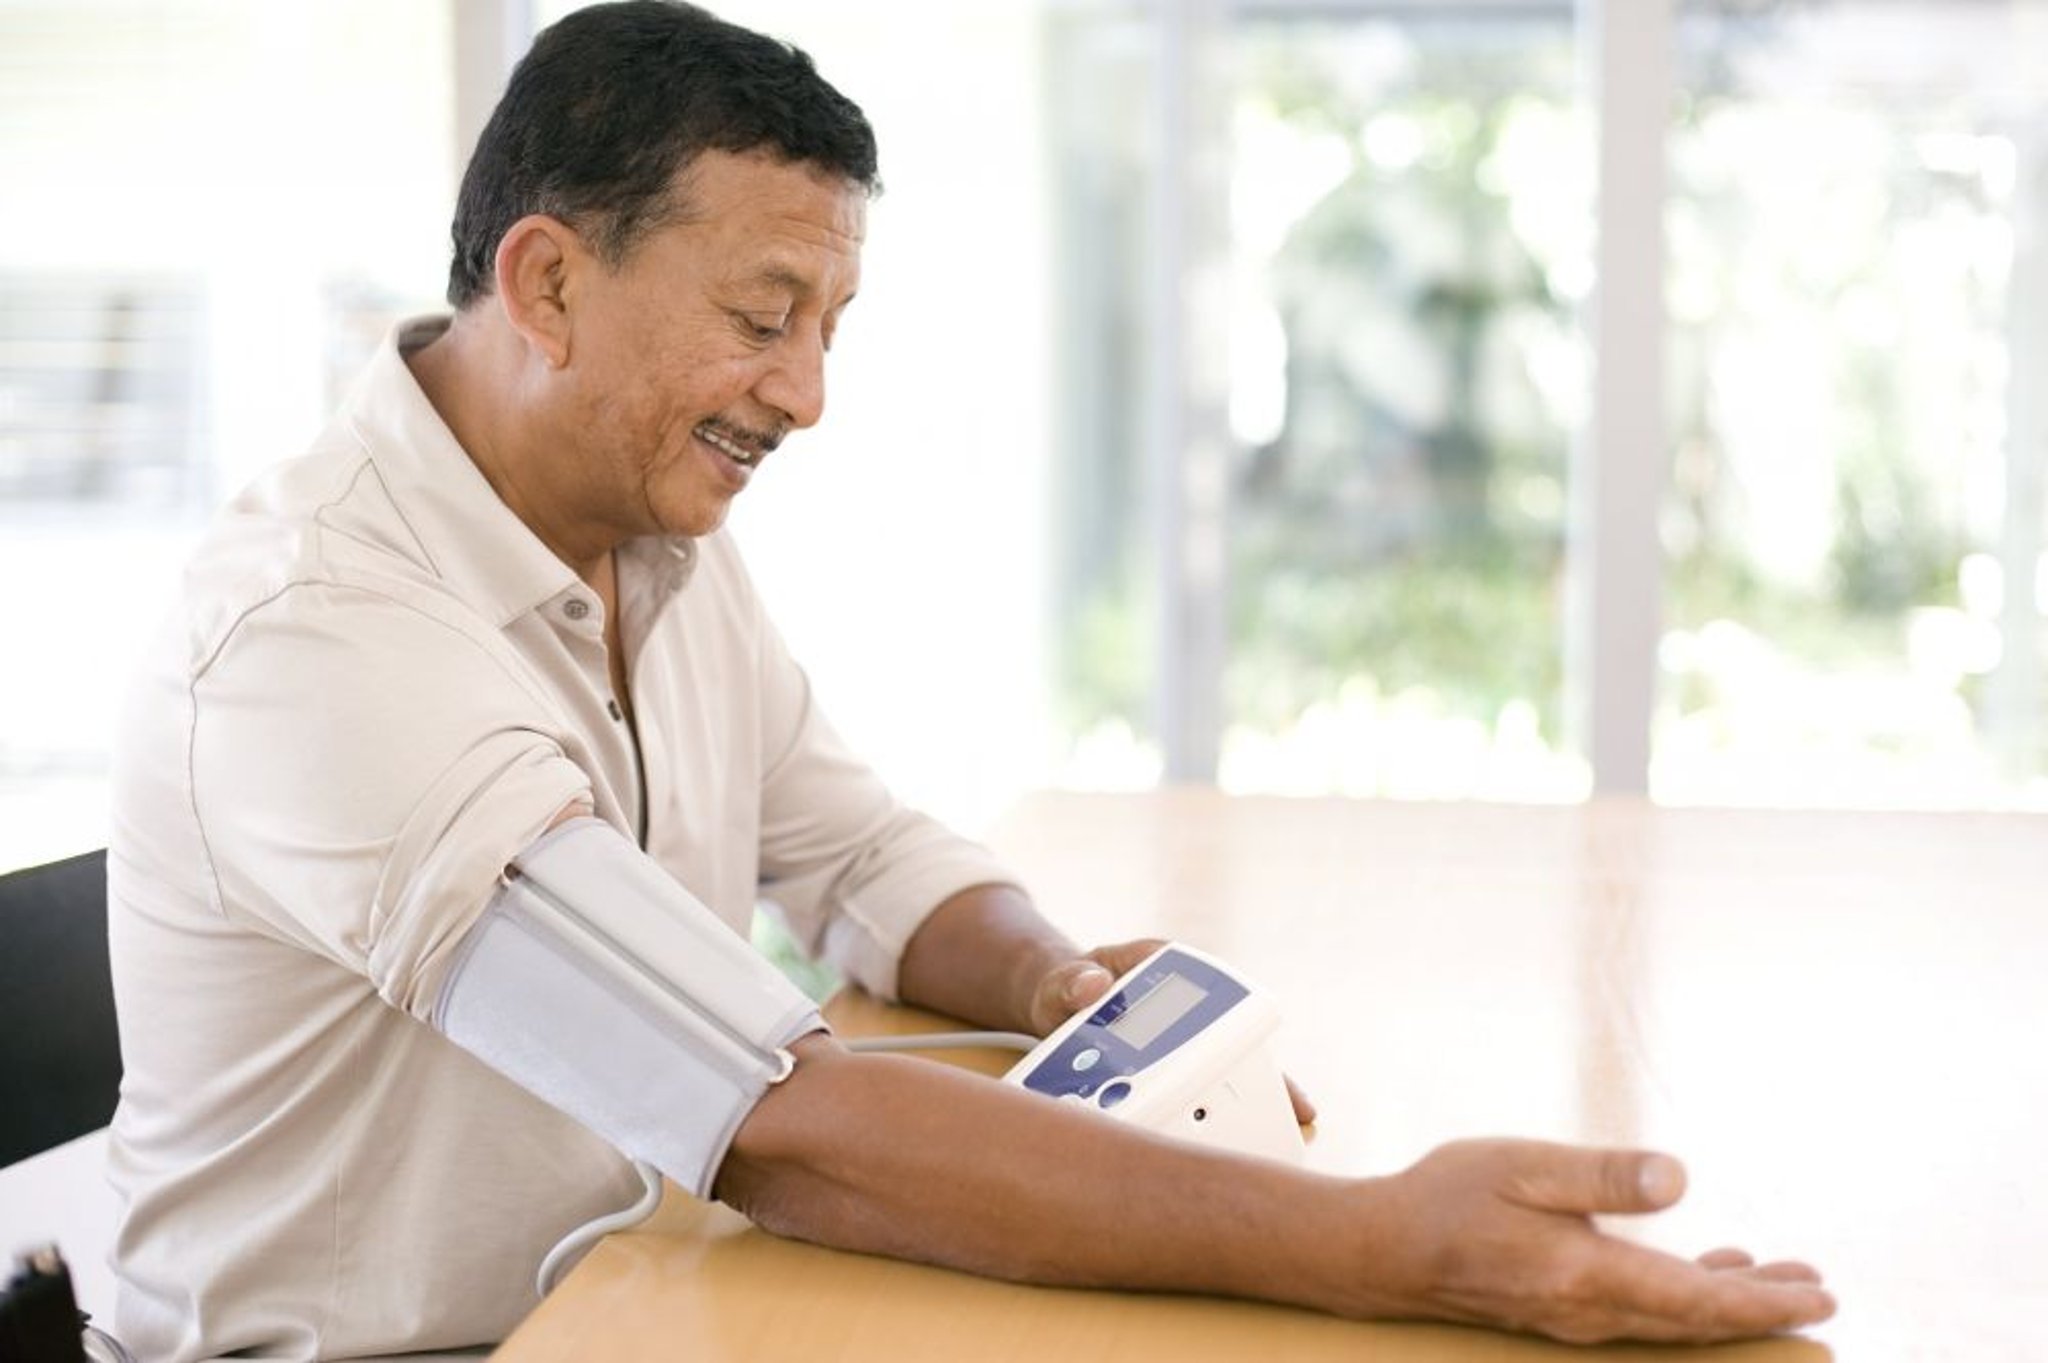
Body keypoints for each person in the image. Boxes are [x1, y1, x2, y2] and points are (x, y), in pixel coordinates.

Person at [103, 3, 1836, 1359]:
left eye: (828, 327)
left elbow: (854, 858)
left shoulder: (647, 538)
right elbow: (776, 1121)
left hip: (626, 1291)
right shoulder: (318, 636)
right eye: (763, 313)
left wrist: (1056, 978)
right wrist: (1397, 1245)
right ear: (548, 280)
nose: (805, 393)